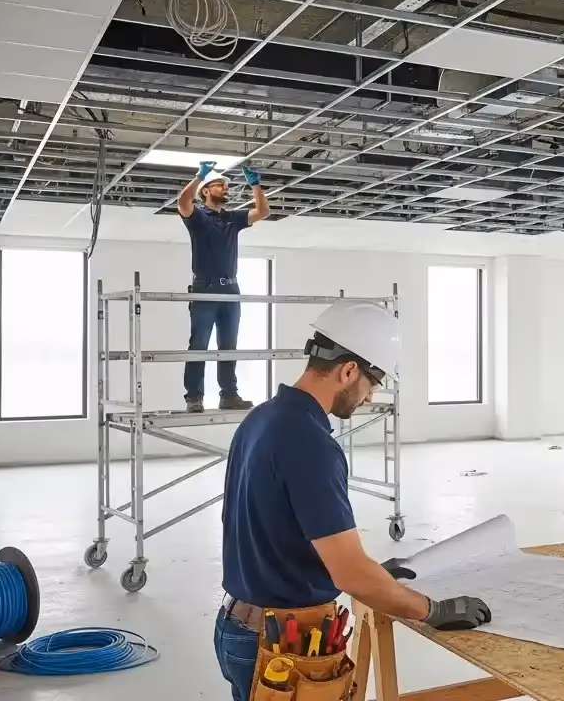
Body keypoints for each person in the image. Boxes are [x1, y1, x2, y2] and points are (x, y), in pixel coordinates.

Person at [215, 302, 491, 700]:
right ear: (348, 370)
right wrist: (432, 610)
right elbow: (351, 576)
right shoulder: (312, 444)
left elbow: (270, 529)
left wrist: (374, 575)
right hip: (280, 644)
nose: (370, 395)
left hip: (237, 625)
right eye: (373, 381)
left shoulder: (261, 418)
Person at [178, 162, 270, 413]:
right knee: (199, 344)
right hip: (205, 287)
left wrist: (255, 185)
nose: (225, 188)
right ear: (206, 191)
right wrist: (199, 176)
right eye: (219, 185)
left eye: (225, 185)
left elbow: (263, 211)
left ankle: (229, 395)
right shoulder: (198, 217)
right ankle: (194, 397)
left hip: (231, 290)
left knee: (228, 345)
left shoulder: (232, 218)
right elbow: (183, 202)